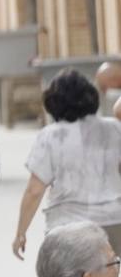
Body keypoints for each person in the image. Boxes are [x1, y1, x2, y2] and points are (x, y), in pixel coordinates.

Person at [13, 71, 121, 260]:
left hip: (68, 227)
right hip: (113, 223)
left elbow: (34, 191)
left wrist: (20, 232)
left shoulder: (51, 136)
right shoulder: (114, 128)